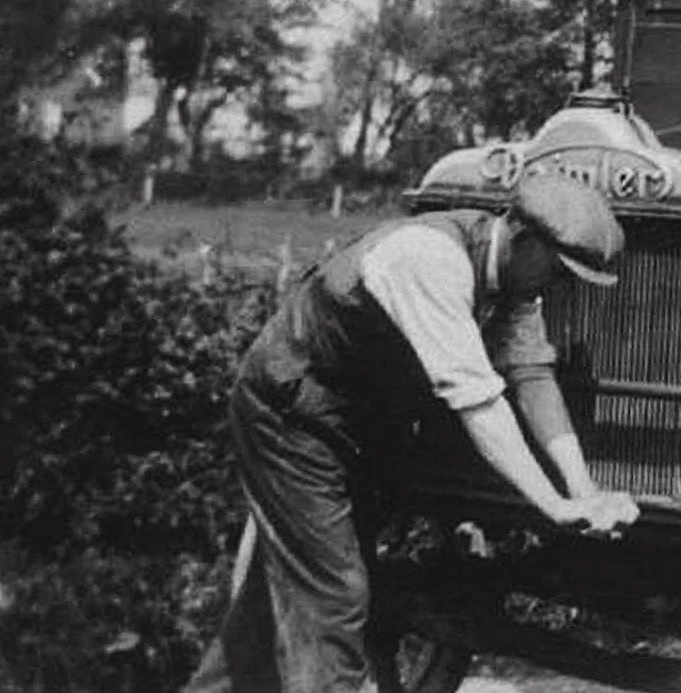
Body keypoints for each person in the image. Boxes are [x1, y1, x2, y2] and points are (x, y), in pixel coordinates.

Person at [184, 169, 639, 693]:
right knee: (334, 598)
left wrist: (583, 490)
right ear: (523, 236)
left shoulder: (515, 279)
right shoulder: (430, 258)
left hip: (349, 427)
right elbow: (479, 401)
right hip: (292, 420)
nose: (560, 286)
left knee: (278, 602)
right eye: (559, 271)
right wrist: (553, 505)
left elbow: (532, 376)